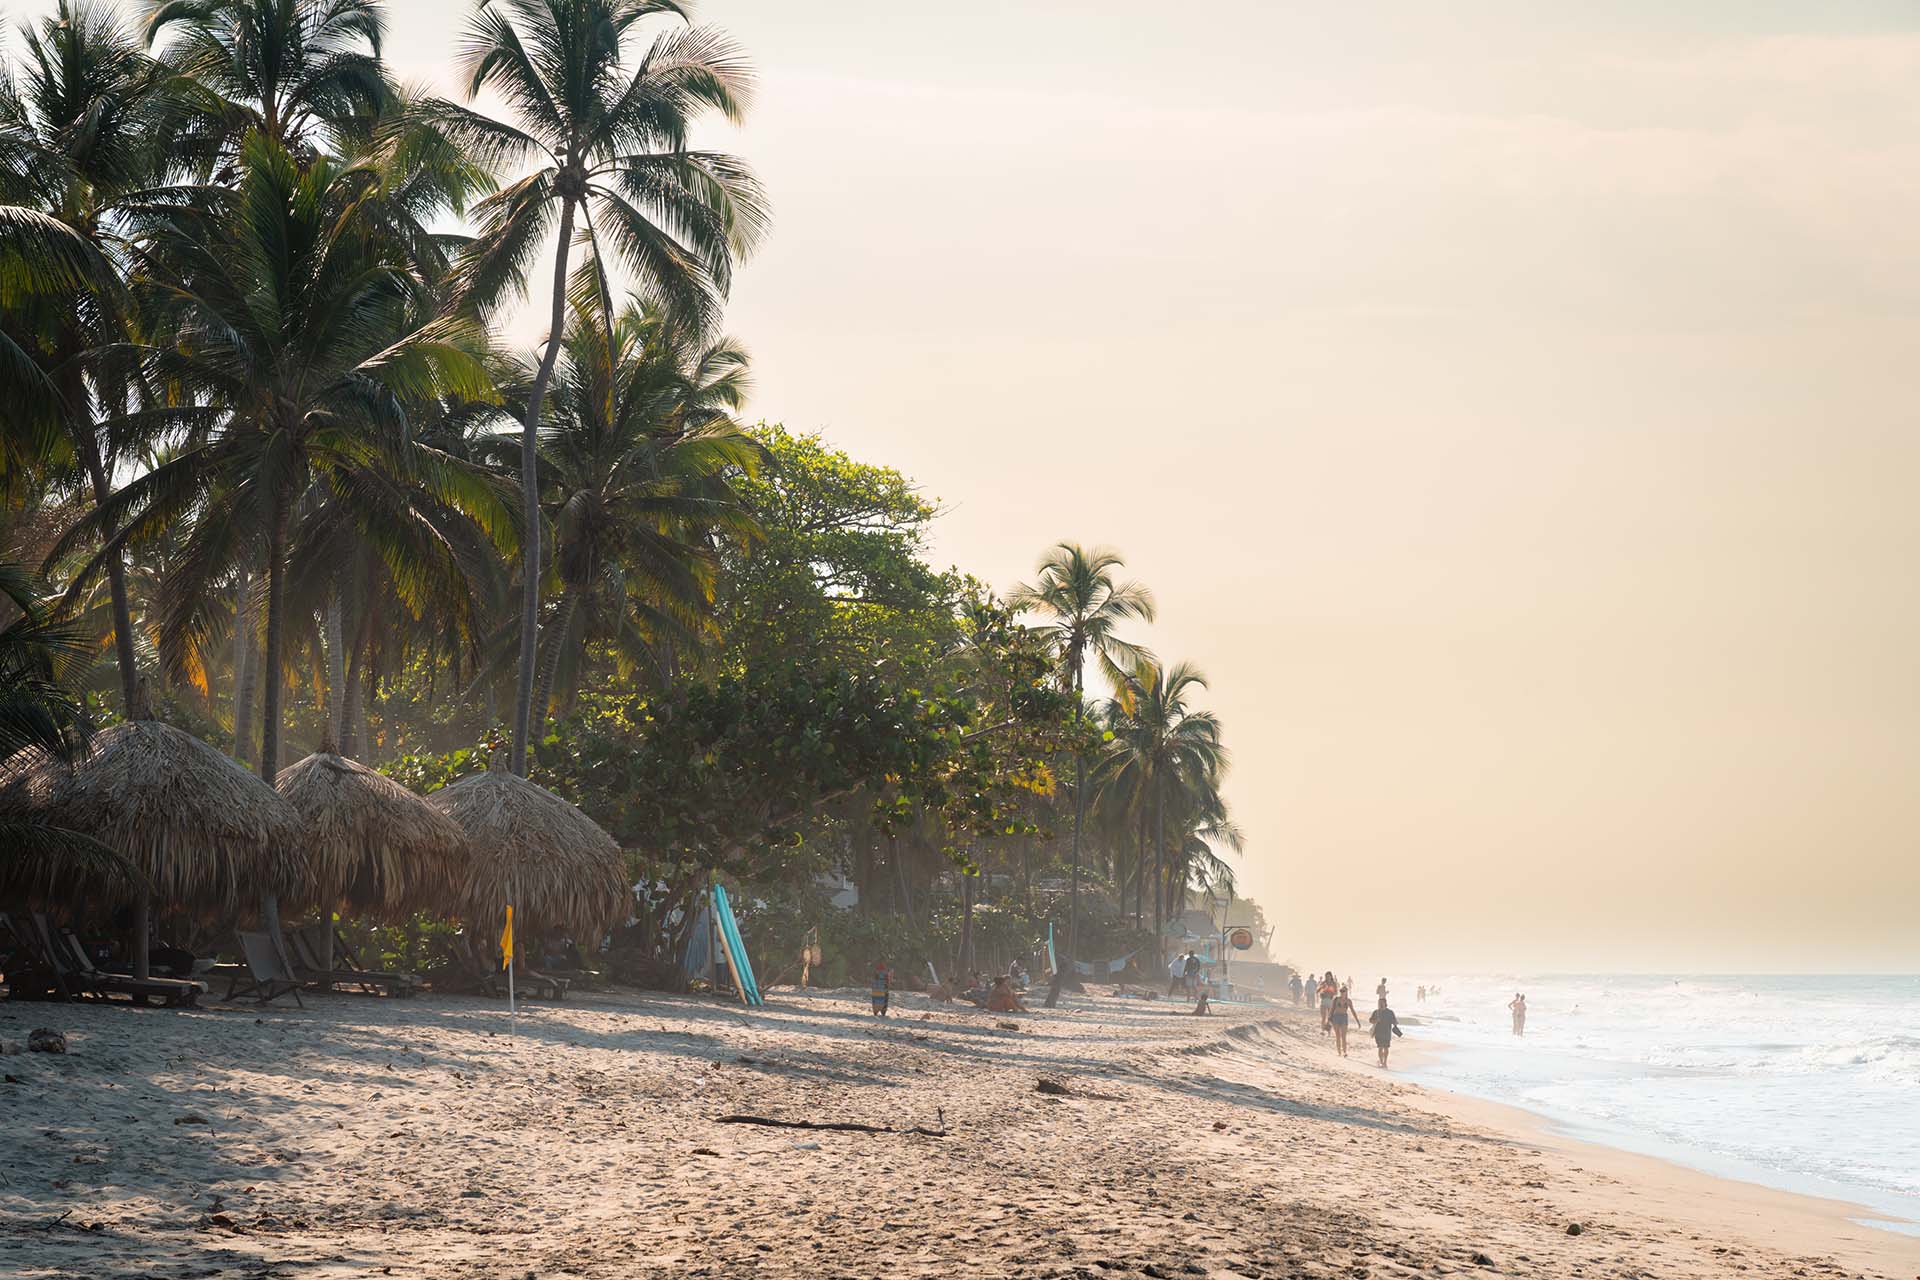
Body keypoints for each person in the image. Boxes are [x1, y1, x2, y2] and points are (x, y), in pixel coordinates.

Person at [1329, 984, 1363, 1057]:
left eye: (1343, 991)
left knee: (1343, 1036)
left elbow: (1353, 1011)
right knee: (1338, 1035)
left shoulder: (1348, 1001)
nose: (1342, 992)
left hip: (1344, 1017)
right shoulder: (1336, 999)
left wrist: (1358, 1021)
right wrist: (1329, 1019)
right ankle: (1339, 1052)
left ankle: (1344, 1051)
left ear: (1346, 992)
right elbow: (1331, 1009)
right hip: (1336, 1017)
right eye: (1341, 991)